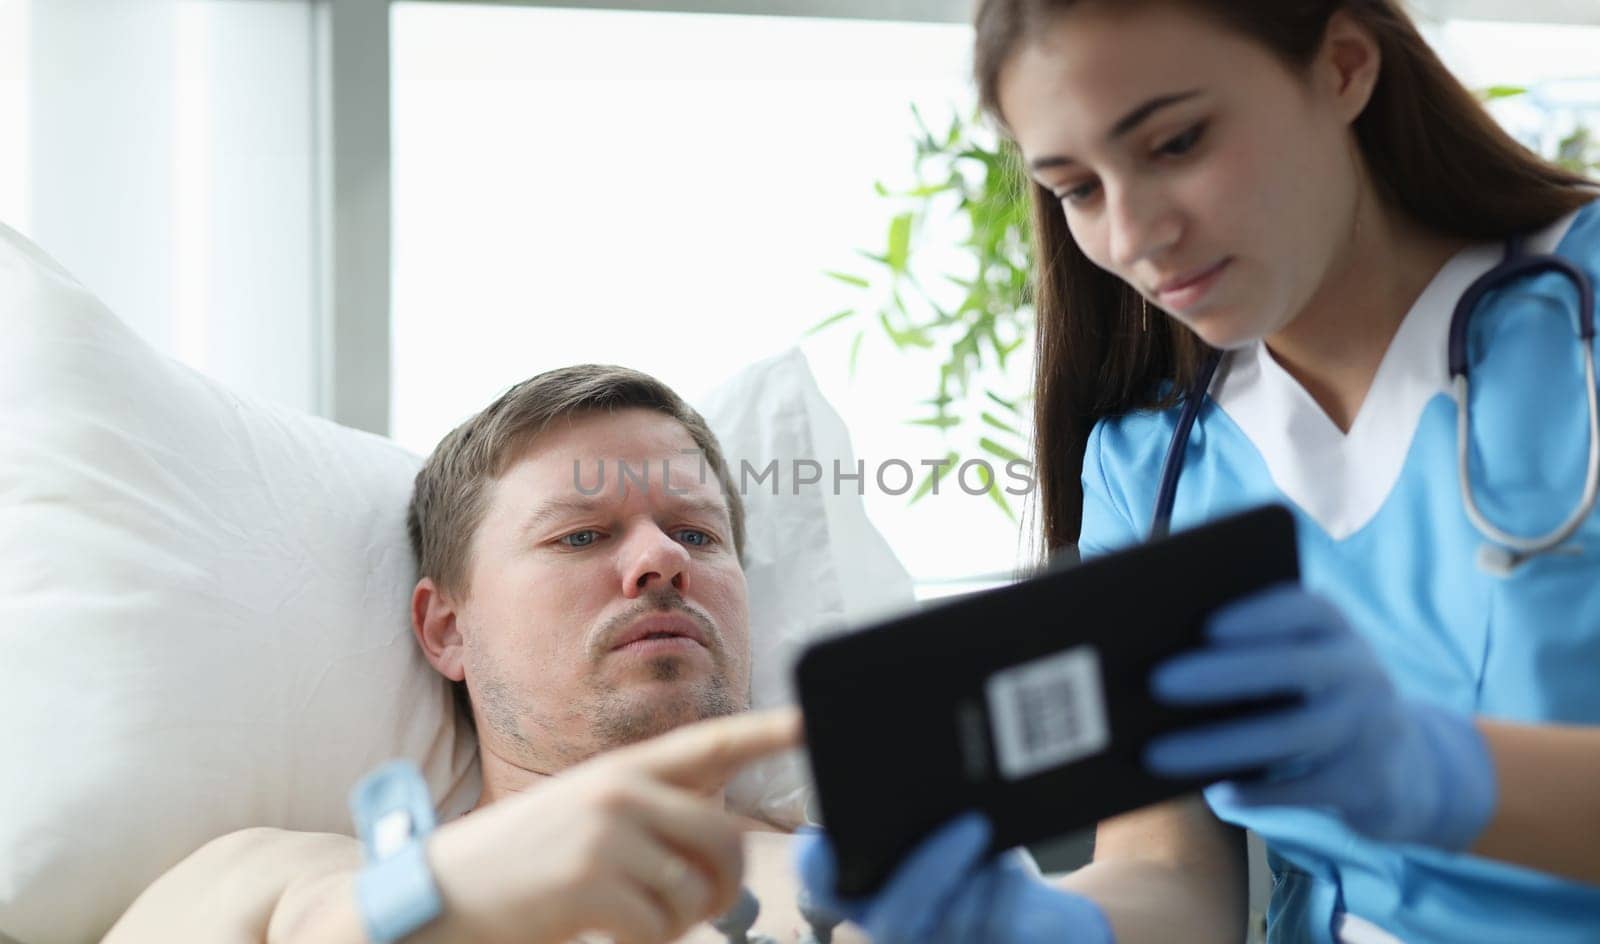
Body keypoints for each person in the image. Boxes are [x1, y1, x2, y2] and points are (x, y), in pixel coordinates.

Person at [797, 2, 1600, 942]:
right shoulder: (1149, 467)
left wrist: (1440, 773)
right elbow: (1172, 872)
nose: (1134, 235)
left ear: (1343, 66)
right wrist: (1054, 930)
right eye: (1078, 190)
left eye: (1176, 142)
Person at [104, 365, 865, 944]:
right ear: (446, 630)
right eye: (582, 535)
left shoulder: (905, 879)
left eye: (697, 534)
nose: (664, 559)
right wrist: (428, 903)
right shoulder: (281, 887)